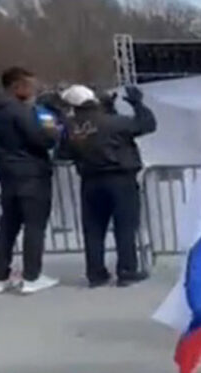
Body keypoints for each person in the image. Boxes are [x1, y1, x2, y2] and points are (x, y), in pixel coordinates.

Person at [0, 68, 59, 295]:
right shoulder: (18, 110)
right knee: (34, 227)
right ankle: (31, 277)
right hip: (33, 173)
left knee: (8, 227)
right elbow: (42, 139)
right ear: (17, 87)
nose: (35, 90)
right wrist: (51, 128)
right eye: (31, 85)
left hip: (6, 173)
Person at [58, 85, 155, 288]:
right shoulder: (113, 122)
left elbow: (63, 153)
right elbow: (147, 125)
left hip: (90, 181)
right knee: (125, 226)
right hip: (120, 178)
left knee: (93, 229)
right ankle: (126, 270)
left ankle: (96, 273)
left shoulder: (70, 127)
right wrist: (138, 104)